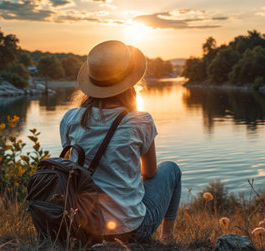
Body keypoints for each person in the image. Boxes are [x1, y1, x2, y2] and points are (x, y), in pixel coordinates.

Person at [59, 40, 181, 242]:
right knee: (172, 169)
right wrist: (123, 176)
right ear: (129, 84)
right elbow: (150, 172)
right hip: (129, 230)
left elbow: (73, 164)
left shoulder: (70, 119)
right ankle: (167, 237)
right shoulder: (141, 120)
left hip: (81, 226)